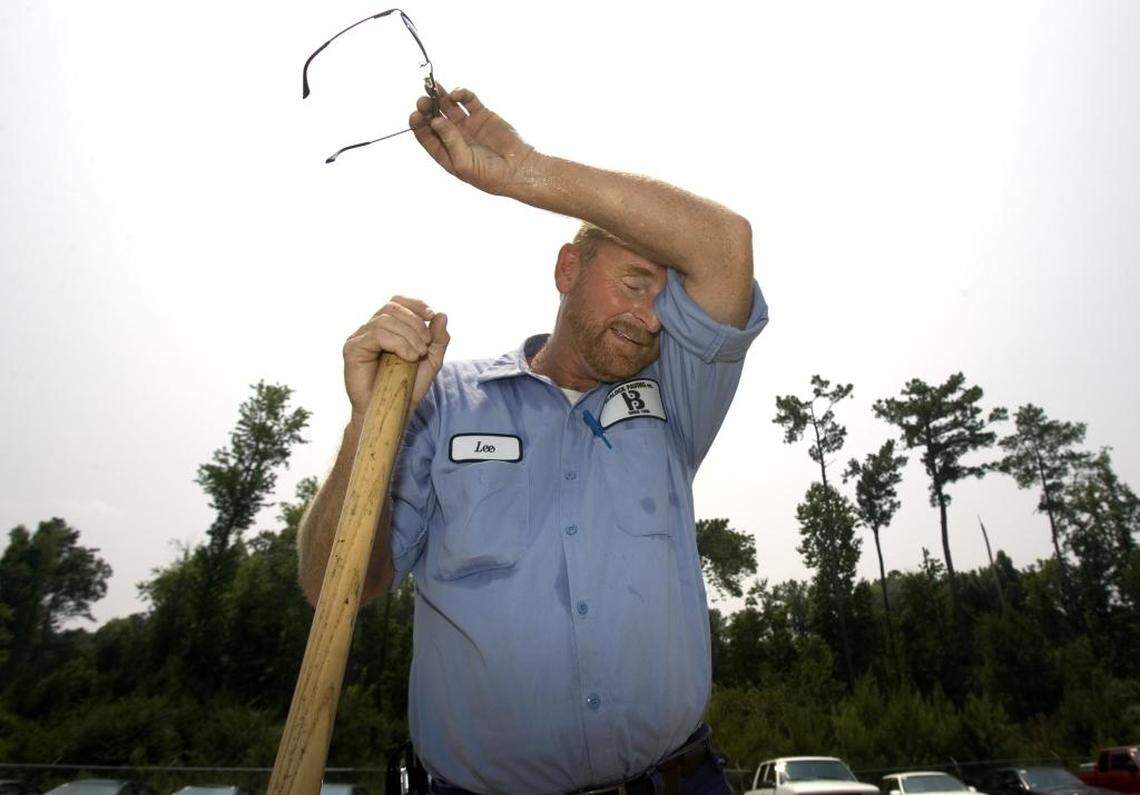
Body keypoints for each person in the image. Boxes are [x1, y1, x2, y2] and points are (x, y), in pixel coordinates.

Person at [297, 84, 769, 795]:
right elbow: (332, 585)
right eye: (635, 283)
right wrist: (369, 426)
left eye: (666, 301)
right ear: (567, 270)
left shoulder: (676, 397)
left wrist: (525, 171)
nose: (651, 319)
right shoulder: (442, 402)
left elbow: (727, 245)